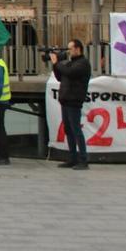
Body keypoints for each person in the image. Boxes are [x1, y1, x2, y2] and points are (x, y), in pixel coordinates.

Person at [50, 39, 91, 170]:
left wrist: (57, 62)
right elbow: (60, 76)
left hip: (74, 100)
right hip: (66, 100)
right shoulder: (70, 63)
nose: (68, 51)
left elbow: (70, 72)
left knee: (76, 130)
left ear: (78, 49)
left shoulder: (83, 63)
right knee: (69, 130)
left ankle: (83, 160)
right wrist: (55, 65)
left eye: (70, 48)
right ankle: (72, 158)